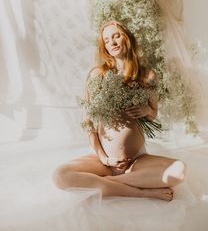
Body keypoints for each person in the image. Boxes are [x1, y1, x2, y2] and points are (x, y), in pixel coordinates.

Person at [53, 21, 187, 201]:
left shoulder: (148, 76)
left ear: (128, 38)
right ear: (104, 47)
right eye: (107, 40)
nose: (112, 43)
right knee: (60, 175)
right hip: (103, 161)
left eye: (116, 36)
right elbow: (88, 123)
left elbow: (153, 113)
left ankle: (107, 183)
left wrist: (146, 109)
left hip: (136, 161)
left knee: (180, 170)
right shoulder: (97, 75)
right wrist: (104, 158)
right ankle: (139, 191)